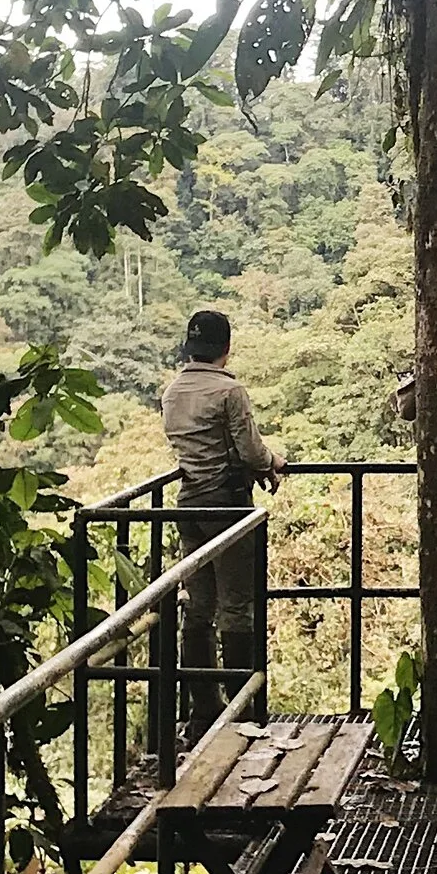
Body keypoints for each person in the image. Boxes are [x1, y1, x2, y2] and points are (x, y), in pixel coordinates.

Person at [160, 310, 282, 729]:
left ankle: (203, 707)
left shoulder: (172, 392)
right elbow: (251, 452)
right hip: (227, 505)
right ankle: (241, 708)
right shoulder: (230, 392)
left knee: (198, 608)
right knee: (237, 607)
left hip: (188, 504)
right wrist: (273, 463)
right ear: (225, 350)